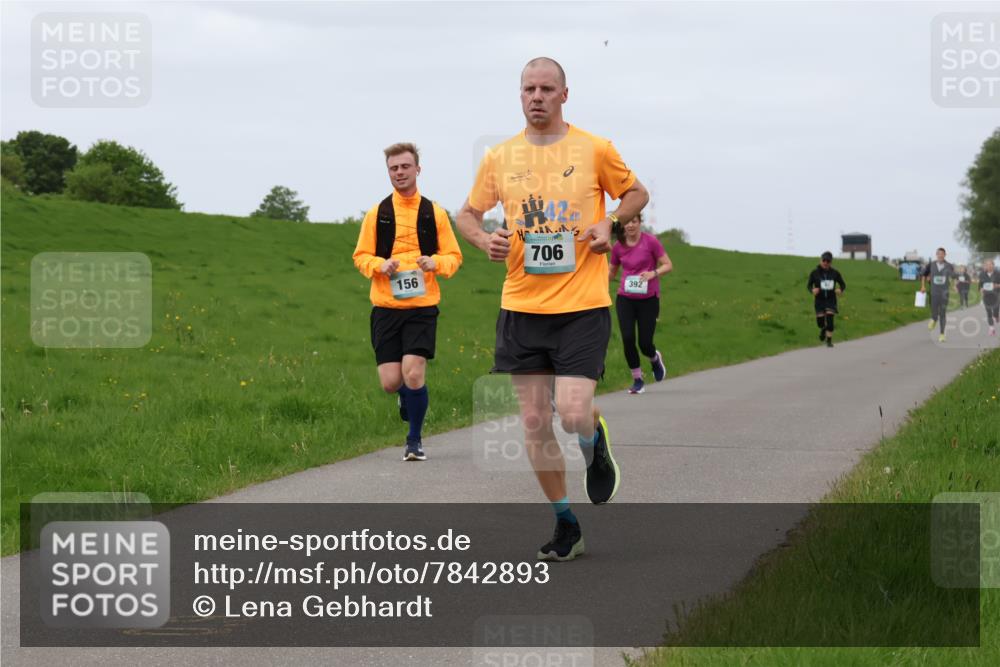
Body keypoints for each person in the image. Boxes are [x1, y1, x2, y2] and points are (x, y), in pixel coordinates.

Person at [456, 57, 648, 561]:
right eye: (528, 88)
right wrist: (484, 241)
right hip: (521, 306)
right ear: (519, 95)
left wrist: (611, 223)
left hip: (582, 306)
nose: (536, 96)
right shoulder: (500, 157)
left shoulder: (594, 149)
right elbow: (467, 214)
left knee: (573, 412)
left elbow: (636, 192)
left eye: (546, 88)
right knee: (535, 420)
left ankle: (593, 441)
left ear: (565, 94)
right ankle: (566, 522)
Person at [353, 143, 463, 461]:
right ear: (388, 172)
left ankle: (414, 441)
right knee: (391, 382)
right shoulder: (377, 214)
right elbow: (360, 256)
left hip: (422, 307)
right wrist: (379, 266)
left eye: (405, 166)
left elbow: (454, 256)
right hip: (385, 308)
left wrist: (435, 264)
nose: (399, 173)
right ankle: (405, 397)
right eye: (394, 168)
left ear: (418, 169)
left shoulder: (434, 212)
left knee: (414, 373)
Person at [609, 213, 671, 394]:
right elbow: (611, 272)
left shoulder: (650, 242)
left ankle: (654, 359)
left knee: (645, 343)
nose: (630, 226)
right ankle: (637, 379)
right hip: (625, 298)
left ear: (640, 222)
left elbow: (668, 264)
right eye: (627, 222)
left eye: (634, 221)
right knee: (628, 339)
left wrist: (653, 273)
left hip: (649, 299)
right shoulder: (618, 247)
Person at [807, 251, 846, 348]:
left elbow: (843, 284)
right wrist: (812, 290)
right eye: (824, 260)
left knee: (830, 321)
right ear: (821, 260)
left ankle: (829, 341)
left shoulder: (835, 273)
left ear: (831, 262)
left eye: (828, 261)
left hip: (830, 299)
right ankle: (823, 329)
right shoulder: (814, 273)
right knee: (820, 323)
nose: (825, 263)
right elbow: (808, 285)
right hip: (819, 300)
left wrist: (840, 289)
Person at [920, 247, 956, 342]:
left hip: (944, 293)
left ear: (945, 255)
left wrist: (954, 286)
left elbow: (953, 277)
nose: (940, 255)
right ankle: (934, 319)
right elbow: (923, 275)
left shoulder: (949, 266)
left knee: (943, 314)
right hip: (933, 292)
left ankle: (942, 334)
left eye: (942, 254)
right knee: (934, 312)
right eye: (938, 253)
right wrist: (923, 286)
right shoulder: (931, 265)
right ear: (936, 255)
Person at [979, 258, 1000, 337]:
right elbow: (980, 285)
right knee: (989, 312)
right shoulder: (982, 274)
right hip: (986, 296)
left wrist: (997, 285)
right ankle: (991, 328)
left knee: (995, 312)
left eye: (990, 264)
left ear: (993, 265)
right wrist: (981, 289)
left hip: (996, 295)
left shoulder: (998, 274)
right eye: (986, 265)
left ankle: (997, 316)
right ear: (985, 266)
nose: (988, 266)